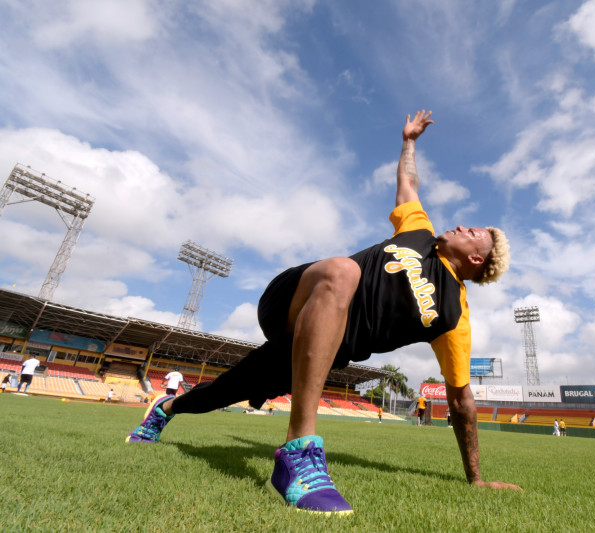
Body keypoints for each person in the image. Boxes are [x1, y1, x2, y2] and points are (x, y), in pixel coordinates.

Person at [125, 110, 519, 514]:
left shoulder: (453, 316)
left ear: (475, 258)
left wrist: (476, 477)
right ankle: (299, 452)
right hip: (292, 301)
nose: (463, 226)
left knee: (220, 393)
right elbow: (408, 183)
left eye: (474, 233)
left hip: (312, 350)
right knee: (343, 270)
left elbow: (462, 401)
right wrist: (409, 142)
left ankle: (164, 410)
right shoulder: (419, 232)